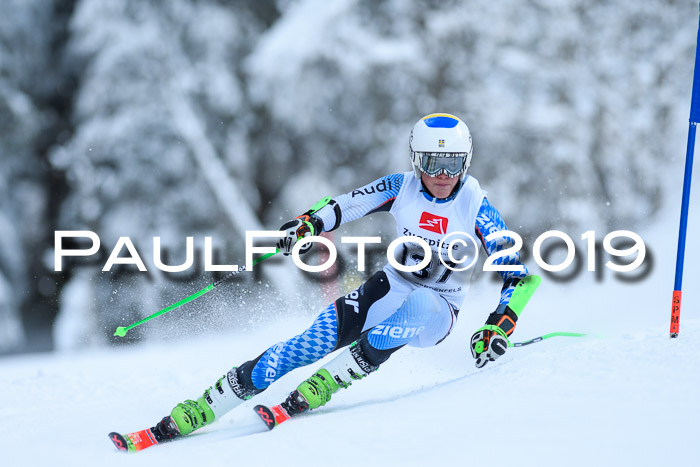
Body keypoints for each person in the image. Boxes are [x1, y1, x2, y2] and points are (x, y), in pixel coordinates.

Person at [143, 113, 540, 443]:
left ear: (466, 162)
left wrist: (497, 327)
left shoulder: (475, 204)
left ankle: (324, 385)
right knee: (308, 343)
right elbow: (344, 205)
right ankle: (204, 406)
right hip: (394, 284)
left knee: (416, 307)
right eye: (430, 163)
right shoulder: (401, 187)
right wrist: (308, 223)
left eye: (452, 163)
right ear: (415, 160)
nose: (441, 174)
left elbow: (520, 279)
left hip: (438, 309)